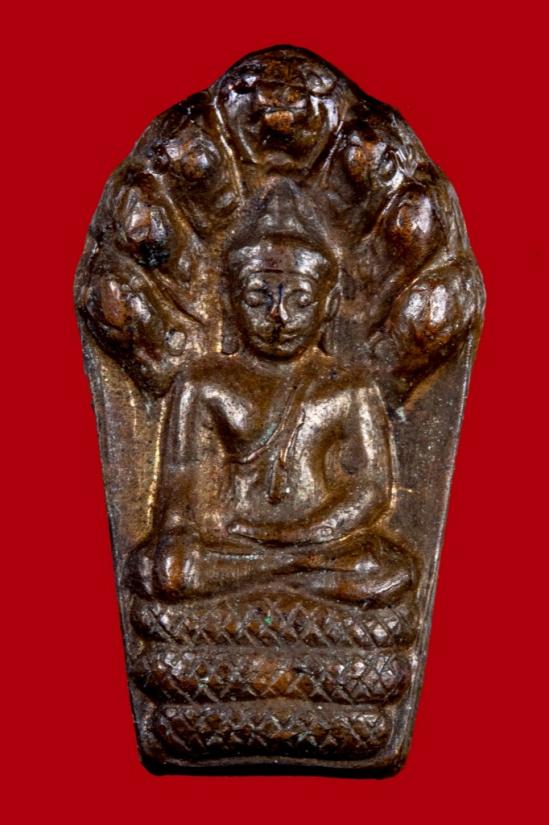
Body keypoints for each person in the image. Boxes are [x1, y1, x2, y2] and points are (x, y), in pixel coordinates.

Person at [128, 182, 415, 604]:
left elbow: (369, 491)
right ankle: (291, 577)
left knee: (390, 570)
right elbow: (179, 501)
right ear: (228, 300)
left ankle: (274, 575)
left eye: (300, 300)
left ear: (329, 304)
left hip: (318, 544)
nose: (279, 316)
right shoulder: (203, 383)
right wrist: (184, 536)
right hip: (231, 541)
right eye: (258, 297)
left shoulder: (349, 387)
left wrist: (296, 535)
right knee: (163, 569)